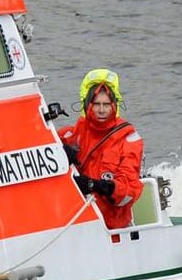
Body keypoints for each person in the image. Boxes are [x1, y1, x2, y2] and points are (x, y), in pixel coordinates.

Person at [59, 68, 144, 228]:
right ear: (87, 104)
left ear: (114, 105)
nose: (102, 110)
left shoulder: (128, 138)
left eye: (106, 104)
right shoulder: (77, 131)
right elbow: (42, 142)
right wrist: (61, 150)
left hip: (114, 226)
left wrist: (97, 185)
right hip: (79, 221)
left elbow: (129, 190)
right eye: (97, 104)